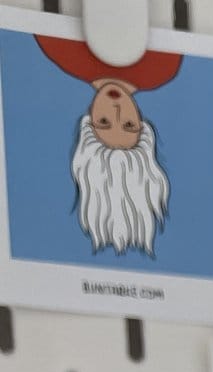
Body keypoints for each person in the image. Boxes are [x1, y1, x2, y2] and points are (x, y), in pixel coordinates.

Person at [35, 35, 181, 256]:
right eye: (129, 125)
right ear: (142, 124)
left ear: (89, 123)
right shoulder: (165, 64)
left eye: (104, 123)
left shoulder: (60, 49)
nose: (117, 110)